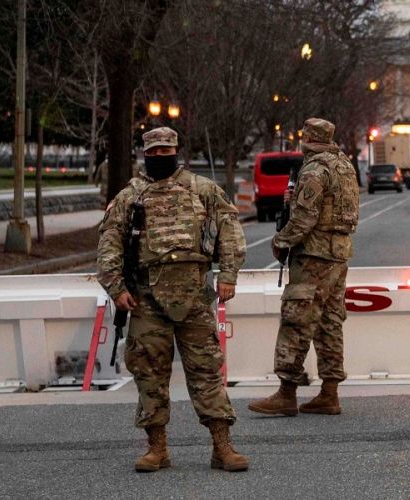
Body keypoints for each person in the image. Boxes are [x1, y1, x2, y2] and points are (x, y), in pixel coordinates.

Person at [96, 127, 247, 473]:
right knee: (149, 373)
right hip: (147, 299)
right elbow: (109, 243)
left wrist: (227, 274)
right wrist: (116, 287)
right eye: (155, 152)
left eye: (167, 151)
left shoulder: (202, 189)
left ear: (176, 151)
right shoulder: (131, 196)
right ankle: (157, 448)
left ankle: (222, 446)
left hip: (194, 296)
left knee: (207, 370)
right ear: (145, 153)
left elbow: (229, 228)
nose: (162, 157)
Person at [249, 118, 360, 417]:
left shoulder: (314, 169)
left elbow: (305, 219)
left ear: (308, 139)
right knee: (330, 322)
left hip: (313, 255)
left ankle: (287, 392)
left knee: (296, 320)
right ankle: (329, 392)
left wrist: (281, 241)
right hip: (338, 254)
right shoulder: (345, 166)